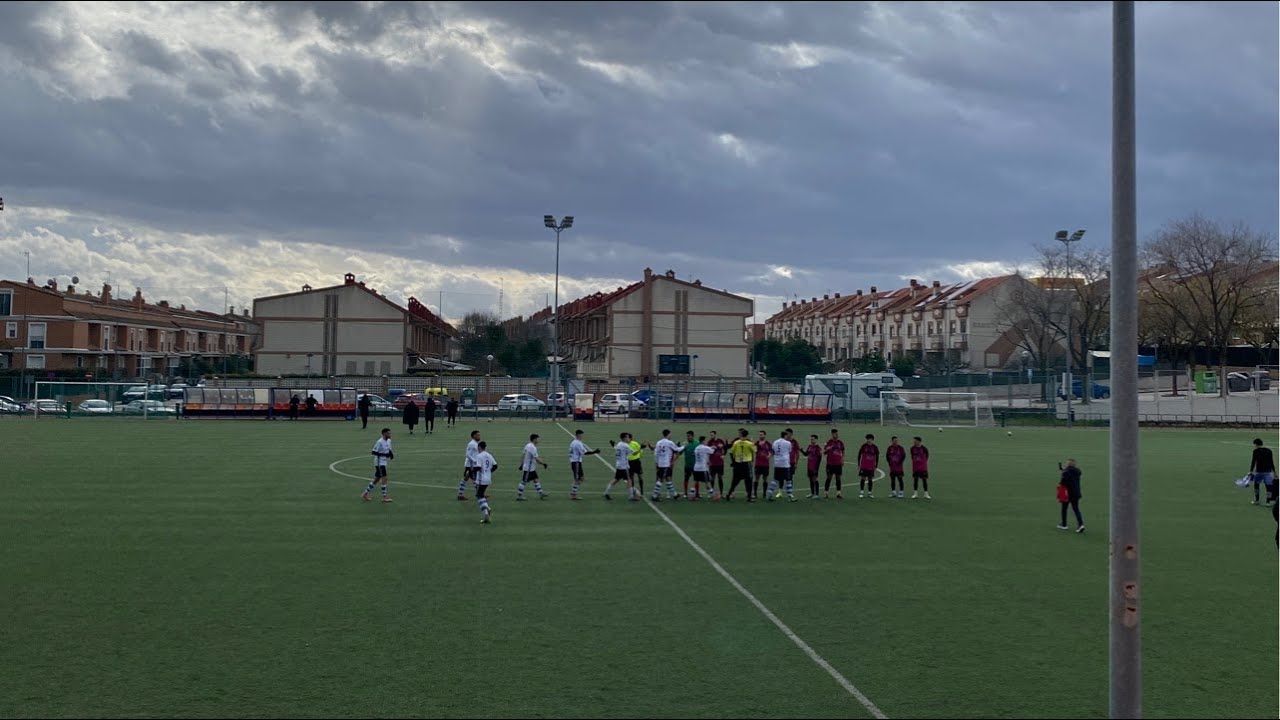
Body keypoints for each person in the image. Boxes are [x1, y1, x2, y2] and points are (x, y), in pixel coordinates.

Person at [362, 428, 394, 503]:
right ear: (384, 434)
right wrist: (384, 454)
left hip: (384, 462)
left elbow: (389, 449)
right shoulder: (379, 442)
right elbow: (373, 452)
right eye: (388, 433)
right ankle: (384, 497)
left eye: (390, 433)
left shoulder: (389, 441)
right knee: (384, 478)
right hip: (379, 462)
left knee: (376, 479)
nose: (390, 434)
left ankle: (365, 494)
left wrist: (391, 454)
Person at [568, 429, 601, 501]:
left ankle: (573, 493)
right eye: (581, 435)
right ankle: (573, 495)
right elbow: (585, 453)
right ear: (578, 435)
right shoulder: (577, 443)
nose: (582, 436)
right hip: (576, 462)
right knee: (577, 479)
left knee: (581, 478)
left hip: (577, 462)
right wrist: (595, 452)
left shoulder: (574, 442)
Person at [605, 432, 638, 501]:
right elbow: (634, 453)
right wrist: (641, 448)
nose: (629, 438)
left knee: (616, 479)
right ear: (624, 438)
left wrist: (613, 445)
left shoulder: (619, 444)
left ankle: (607, 492)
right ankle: (631, 496)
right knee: (629, 480)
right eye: (628, 437)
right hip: (624, 466)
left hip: (618, 465)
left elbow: (616, 448)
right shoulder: (625, 445)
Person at [516, 433, 549, 500]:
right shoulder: (532, 447)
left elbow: (523, 455)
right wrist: (543, 464)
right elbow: (536, 458)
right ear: (534, 439)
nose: (538, 440)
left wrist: (521, 464)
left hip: (530, 468)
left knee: (536, 480)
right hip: (529, 469)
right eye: (537, 439)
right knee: (524, 482)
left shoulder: (527, 445)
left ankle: (541, 493)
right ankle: (519, 496)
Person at [651, 429, 682, 502]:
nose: (671, 435)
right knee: (660, 479)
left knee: (668, 478)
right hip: (665, 464)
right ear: (668, 434)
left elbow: (656, 453)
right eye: (670, 434)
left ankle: (674, 494)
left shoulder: (659, 442)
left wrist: (656, 462)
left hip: (660, 463)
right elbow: (677, 449)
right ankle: (655, 495)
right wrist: (684, 446)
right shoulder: (669, 442)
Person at [767, 429, 797, 501]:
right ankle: (790, 495)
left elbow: (773, 451)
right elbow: (789, 451)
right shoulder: (788, 443)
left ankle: (769, 493)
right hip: (785, 464)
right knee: (788, 480)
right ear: (785, 435)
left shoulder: (775, 442)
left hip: (777, 463)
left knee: (776, 479)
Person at [1057, 459, 1084, 533]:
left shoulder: (1066, 472)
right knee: (1076, 509)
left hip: (1067, 494)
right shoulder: (1078, 471)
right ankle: (1081, 524)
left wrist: (1062, 473)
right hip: (1076, 493)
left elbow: (1062, 483)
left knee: (1064, 509)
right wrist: (1064, 471)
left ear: (1068, 464)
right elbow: (1071, 474)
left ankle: (1064, 525)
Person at [728, 428, 755, 501]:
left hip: (738, 463)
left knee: (735, 480)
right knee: (749, 480)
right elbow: (755, 450)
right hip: (746, 463)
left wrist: (734, 461)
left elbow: (731, 452)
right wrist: (753, 443)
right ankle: (749, 497)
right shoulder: (749, 443)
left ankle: (729, 494)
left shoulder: (736, 442)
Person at [1249, 437, 1276, 506]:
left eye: (1254, 445)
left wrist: (1251, 471)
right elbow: (1271, 462)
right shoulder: (1269, 451)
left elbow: (1253, 462)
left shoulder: (1255, 451)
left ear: (1256, 444)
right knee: (1268, 487)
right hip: (1268, 472)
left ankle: (1257, 500)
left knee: (1256, 485)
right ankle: (1268, 502)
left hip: (1259, 472)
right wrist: (1274, 472)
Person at [476, 441, 497, 524]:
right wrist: (489, 472)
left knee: (479, 496)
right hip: (488, 478)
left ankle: (486, 510)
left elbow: (478, 467)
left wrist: (472, 473)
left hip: (481, 479)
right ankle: (486, 516)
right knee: (480, 495)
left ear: (479, 447)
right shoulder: (489, 455)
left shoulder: (479, 456)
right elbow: (495, 466)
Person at [456, 430, 481, 500]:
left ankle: (460, 494)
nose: (479, 436)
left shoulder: (475, 443)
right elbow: (467, 454)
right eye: (478, 435)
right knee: (475, 479)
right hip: (471, 465)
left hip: (472, 465)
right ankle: (480, 494)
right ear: (474, 436)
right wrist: (474, 461)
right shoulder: (472, 444)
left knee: (466, 478)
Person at [823, 429, 845, 499]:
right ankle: (826, 493)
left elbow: (843, 450)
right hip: (830, 463)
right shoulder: (828, 442)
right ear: (832, 434)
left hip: (838, 463)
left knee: (838, 478)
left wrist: (843, 459)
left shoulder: (840, 442)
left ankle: (838, 493)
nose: (837, 435)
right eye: (835, 434)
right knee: (829, 477)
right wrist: (827, 449)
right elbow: (824, 452)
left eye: (837, 433)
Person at [707, 430, 728, 500]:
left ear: (715, 435)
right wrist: (708, 460)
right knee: (712, 478)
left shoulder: (720, 441)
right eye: (710, 435)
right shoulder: (709, 442)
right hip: (712, 463)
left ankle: (721, 493)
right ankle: (711, 493)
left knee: (720, 478)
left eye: (712, 435)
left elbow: (725, 448)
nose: (711, 436)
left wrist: (724, 455)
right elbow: (707, 451)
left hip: (720, 463)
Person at [857, 433, 879, 498]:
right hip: (864, 466)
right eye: (868, 439)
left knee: (870, 479)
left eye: (870, 439)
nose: (869, 440)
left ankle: (870, 493)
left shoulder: (875, 447)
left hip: (871, 466)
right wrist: (859, 464)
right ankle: (861, 492)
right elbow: (859, 455)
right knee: (863, 478)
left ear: (872, 440)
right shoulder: (864, 446)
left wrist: (876, 465)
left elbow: (877, 456)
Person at [753, 430, 772, 500]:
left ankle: (764, 493)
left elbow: (771, 451)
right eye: (759, 435)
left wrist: (770, 455)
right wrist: (755, 446)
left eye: (761, 435)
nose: (760, 436)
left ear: (764, 435)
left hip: (765, 464)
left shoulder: (768, 443)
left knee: (765, 479)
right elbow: (754, 451)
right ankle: (755, 493)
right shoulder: (756, 443)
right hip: (758, 463)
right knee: (756, 478)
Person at [682, 431, 701, 499]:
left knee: (696, 480)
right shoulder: (685, 444)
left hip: (695, 465)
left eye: (689, 436)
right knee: (686, 479)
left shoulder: (697, 444)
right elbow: (680, 452)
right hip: (687, 465)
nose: (688, 437)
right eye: (687, 436)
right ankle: (685, 493)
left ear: (693, 436)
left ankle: (697, 494)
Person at [804, 434, 822, 499]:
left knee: (815, 479)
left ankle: (816, 494)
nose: (811, 440)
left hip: (815, 467)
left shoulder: (818, 448)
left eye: (813, 439)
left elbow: (819, 459)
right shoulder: (809, 446)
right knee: (810, 479)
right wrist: (801, 450)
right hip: (809, 466)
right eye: (811, 439)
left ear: (816, 439)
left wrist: (817, 468)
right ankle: (812, 493)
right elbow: (806, 454)